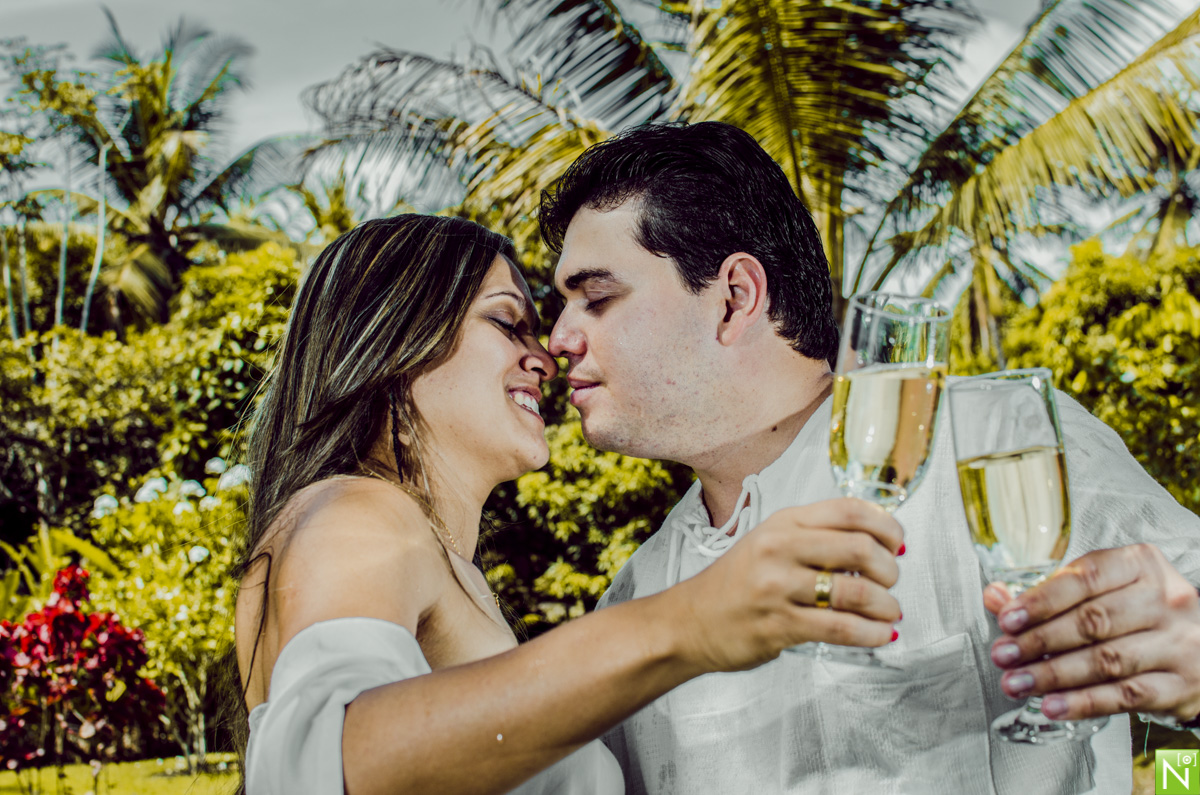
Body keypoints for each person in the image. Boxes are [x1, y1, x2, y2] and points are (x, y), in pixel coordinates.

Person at [539, 120, 1200, 794]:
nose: (558, 336)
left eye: (597, 297)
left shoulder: (995, 438)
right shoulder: (635, 596)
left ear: (735, 297)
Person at [232, 213, 906, 795]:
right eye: (507, 322)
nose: (545, 356)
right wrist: (688, 622)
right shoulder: (358, 514)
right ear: (393, 341)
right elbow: (328, 760)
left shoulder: (437, 561)